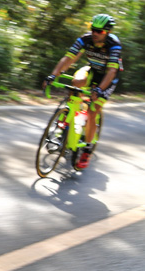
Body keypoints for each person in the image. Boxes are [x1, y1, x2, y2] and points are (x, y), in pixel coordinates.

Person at [42, 13, 122, 170]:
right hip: (92, 69)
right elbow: (68, 58)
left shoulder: (114, 45)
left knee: (93, 111)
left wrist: (99, 90)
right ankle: (66, 123)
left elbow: (112, 71)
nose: (95, 33)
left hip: (107, 77)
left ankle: (87, 150)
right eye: (93, 29)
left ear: (107, 32)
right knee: (76, 82)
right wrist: (53, 74)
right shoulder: (85, 39)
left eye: (100, 31)